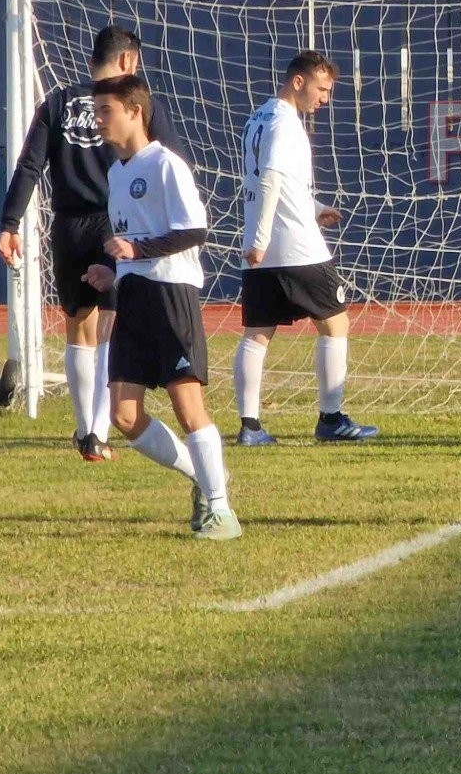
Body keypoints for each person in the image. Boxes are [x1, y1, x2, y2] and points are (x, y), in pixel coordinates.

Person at [0, 24, 181, 463]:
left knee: (78, 326)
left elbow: (29, 165)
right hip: (117, 225)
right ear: (127, 61)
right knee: (112, 324)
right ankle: (101, 429)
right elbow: (171, 159)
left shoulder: (57, 101)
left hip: (67, 226)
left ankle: (85, 432)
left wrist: (9, 222)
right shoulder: (134, 104)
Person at [80, 75, 237, 540]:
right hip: (134, 295)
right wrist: (115, 270)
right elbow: (133, 243)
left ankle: (221, 511)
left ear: (134, 111)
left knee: (188, 406)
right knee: (123, 415)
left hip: (172, 293)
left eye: (105, 110)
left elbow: (194, 231)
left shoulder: (166, 164)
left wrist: (136, 251)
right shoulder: (116, 173)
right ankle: (206, 481)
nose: (99, 120)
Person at [231, 50, 378, 446]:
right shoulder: (285, 124)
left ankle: (250, 427)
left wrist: (314, 208)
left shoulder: (257, 118)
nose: (325, 99)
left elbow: (274, 183)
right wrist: (261, 240)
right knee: (335, 323)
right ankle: (331, 420)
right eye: (322, 89)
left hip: (262, 249)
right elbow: (269, 183)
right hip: (296, 248)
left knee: (257, 334)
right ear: (299, 82)